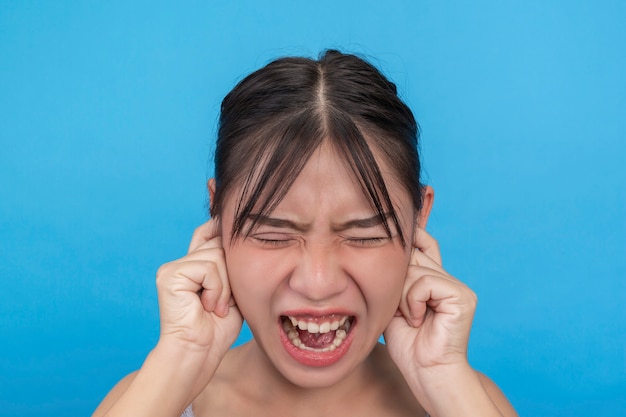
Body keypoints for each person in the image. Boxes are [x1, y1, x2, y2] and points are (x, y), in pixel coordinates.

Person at [93, 50, 518, 417]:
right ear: (217, 214)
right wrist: (180, 360)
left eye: (364, 236)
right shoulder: (151, 399)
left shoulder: (465, 400)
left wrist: (443, 379)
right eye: (273, 235)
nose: (318, 284)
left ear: (418, 219)